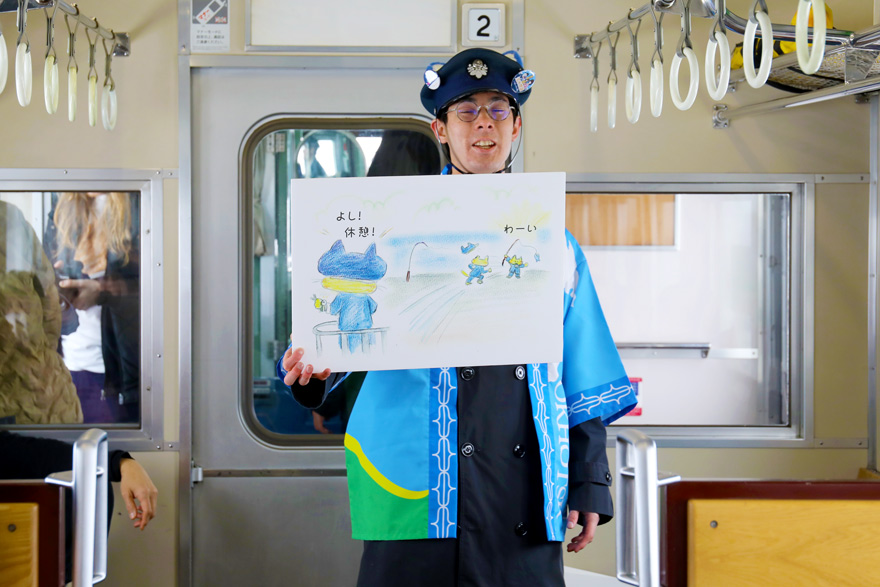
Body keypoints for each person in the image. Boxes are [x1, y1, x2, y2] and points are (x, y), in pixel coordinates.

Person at [278, 48, 637, 586]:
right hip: (415, 484)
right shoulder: (389, 230)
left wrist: (589, 481)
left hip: (522, 491)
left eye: (498, 110)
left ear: (516, 126)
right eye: (466, 111)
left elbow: (581, 375)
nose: (484, 124)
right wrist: (311, 372)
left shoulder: (555, 245)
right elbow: (331, 353)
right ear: (441, 130)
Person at [43, 192, 141, 424]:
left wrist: (101, 292)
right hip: (65, 367)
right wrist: (54, 285)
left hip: (116, 373)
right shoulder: (62, 207)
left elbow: (159, 288)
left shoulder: (138, 202)